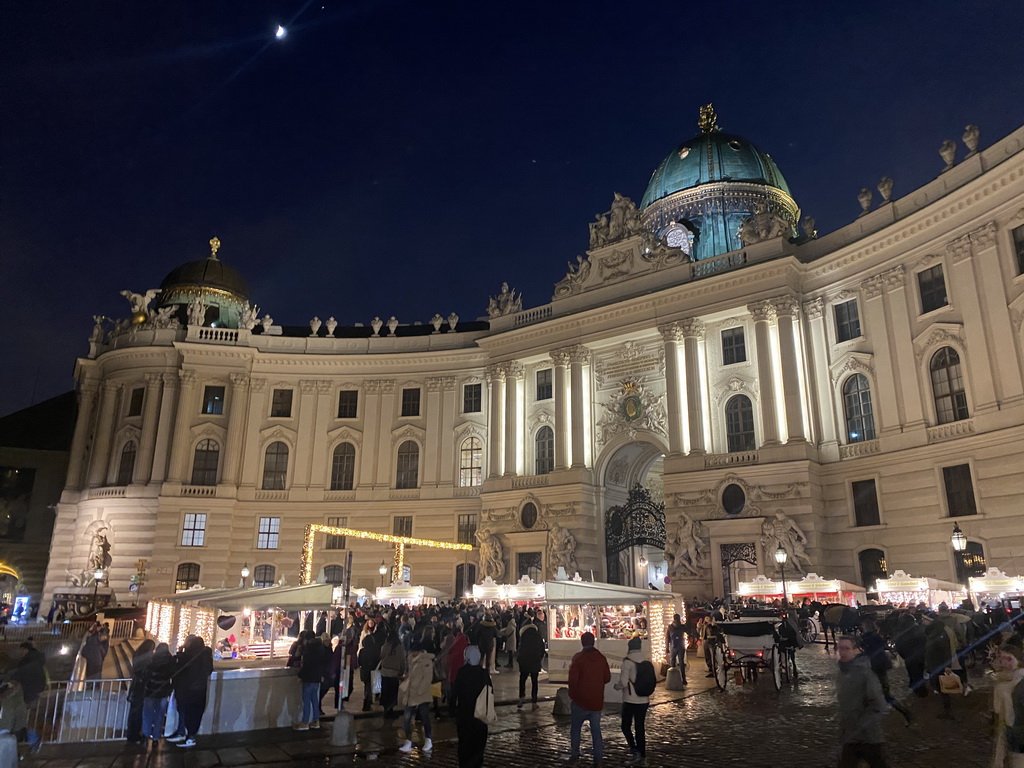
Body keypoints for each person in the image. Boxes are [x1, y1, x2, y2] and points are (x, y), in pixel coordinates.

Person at [835, 634, 888, 768]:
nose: (842, 652)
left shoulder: (865, 674)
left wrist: (861, 724)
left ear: (856, 650)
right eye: (840, 648)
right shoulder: (842, 672)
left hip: (868, 737)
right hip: (851, 735)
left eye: (846, 648)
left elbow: (879, 704)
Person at [567, 631, 611, 766]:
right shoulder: (601, 658)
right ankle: (598, 757)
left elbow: (573, 681)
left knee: (575, 728)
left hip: (580, 700)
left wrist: (572, 695)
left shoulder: (578, 659)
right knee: (596, 731)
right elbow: (607, 678)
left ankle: (575, 752)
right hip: (596, 700)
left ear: (582, 642)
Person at [860, 618, 911, 725]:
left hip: (873, 667)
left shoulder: (866, 639)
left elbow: (867, 653)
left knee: (875, 693)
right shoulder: (877, 637)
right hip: (881, 666)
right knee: (883, 692)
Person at [167, 635, 213, 749]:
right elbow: (208, 671)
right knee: (194, 714)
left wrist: (180, 651)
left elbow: (178, 667)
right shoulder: (205, 655)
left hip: (187, 689)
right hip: (200, 689)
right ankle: (187, 734)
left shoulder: (188, 655)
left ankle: (188, 737)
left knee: (187, 712)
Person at [450, 646, 491, 768]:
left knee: (465, 744)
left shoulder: (462, 672)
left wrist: (452, 710)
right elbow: (490, 692)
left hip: (465, 714)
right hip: (480, 714)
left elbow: (455, 693)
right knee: (478, 744)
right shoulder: (483, 673)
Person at [614, 637, 650, 766]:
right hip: (644, 699)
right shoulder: (645, 660)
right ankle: (642, 753)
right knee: (640, 727)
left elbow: (623, 683)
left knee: (625, 726)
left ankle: (635, 750)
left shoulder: (627, 662)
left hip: (630, 700)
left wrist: (616, 686)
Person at [398, 640, 435, 753]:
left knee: (424, 718)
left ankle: (428, 740)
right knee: (406, 719)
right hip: (411, 694)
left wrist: (419, 691)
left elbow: (427, 678)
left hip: (421, 695)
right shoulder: (411, 660)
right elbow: (411, 675)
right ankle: (408, 741)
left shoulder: (426, 661)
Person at [992, 644, 1024, 767]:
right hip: (1006, 728)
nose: (1004, 663)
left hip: (1018, 730)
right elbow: (997, 709)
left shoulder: (1020, 681)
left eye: (1009, 659)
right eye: (1001, 658)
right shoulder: (1001, 680)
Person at [294, 631, 330, 730]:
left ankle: (305, 722)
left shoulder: (308, 649)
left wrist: (300, 676)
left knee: (306, 700)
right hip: (317, 677)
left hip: (309, 677)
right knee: (314, 699)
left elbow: (306, 665)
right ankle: (316, 721)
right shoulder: (321, 648)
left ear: (306, 639)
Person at [141, 643, 174, 745]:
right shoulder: (170, 660)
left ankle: (146, 735)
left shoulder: (152, 659)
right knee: (159, 715)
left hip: (150, 691)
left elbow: (145, 674)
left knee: (147, 714)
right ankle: (156, 737)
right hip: (163, 692)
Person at [126, 639, 156, 744]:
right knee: (139, 712)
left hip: (136, 686)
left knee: (134, 711)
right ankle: (136, 734)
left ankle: (131, 734)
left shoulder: (137, 655)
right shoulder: (148, 658)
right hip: (142, 686)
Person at [378, 627, 407, 718]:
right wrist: (402, 671)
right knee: (393, 692)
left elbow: (381, 656)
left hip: (385, 671)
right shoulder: (399, 647)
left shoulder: (385, 646)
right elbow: (402, 660)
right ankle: (390, 709)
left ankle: (386, 709)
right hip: (394, 672)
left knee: (385, 691)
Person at [516, 619, 545, 710]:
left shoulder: (523, 637)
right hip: (534, 661)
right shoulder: (537, 636)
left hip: (524, 661)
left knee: (522, 679)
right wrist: (539, 659)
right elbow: (542, 649)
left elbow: (519, 649)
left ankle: (521, 697)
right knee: (534, 681)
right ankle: (534, 701)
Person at [10, 641, 47, 707]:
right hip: (37, 689)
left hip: (30, 691)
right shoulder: (35, 660)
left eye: (20, 649)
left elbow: (20, 673)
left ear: (25, 650)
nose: (19, 652)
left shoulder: (29, 662)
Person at [357, 633, 381, 712]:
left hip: (364, 671)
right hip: (372, 671)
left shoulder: (362, 651)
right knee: (370, 687)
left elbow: (359, 661)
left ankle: (367, 701)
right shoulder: (375, 651)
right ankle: (367, 702)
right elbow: (378, 660)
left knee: (367, 686)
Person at [666, 614, 687, 683]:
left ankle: (673, 679)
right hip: (681, 646)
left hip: (673, 646)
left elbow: (667, 638)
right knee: (681, 662)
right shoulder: (682, 626)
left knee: (672, 662)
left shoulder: (670, 627)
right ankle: (683, 679)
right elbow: (689, 631)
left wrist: (667, 647)